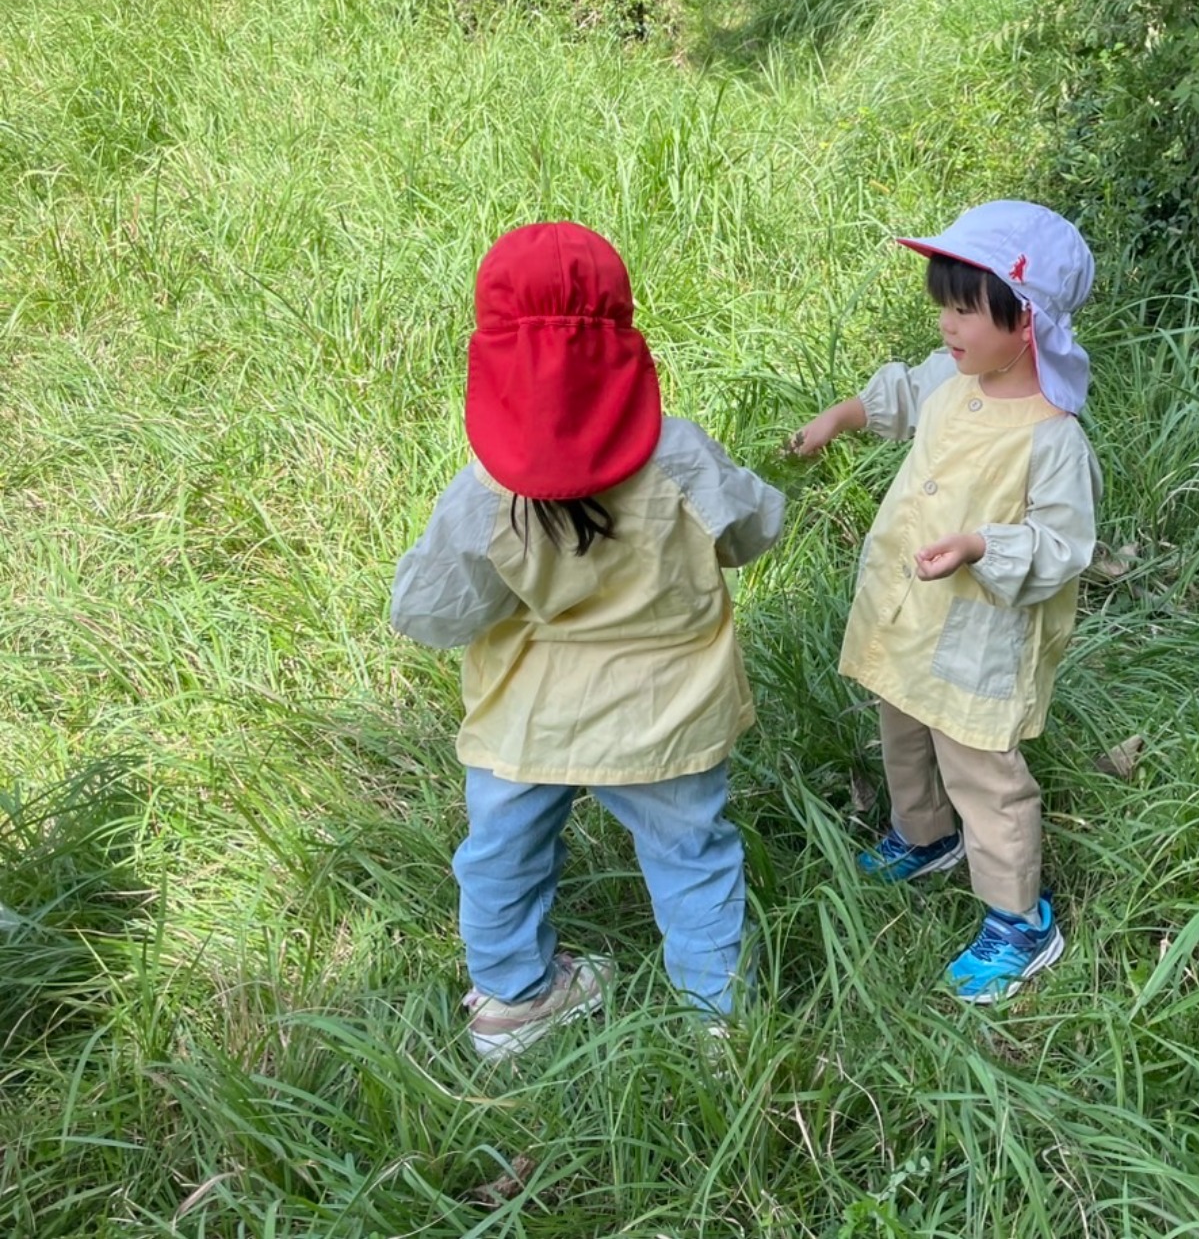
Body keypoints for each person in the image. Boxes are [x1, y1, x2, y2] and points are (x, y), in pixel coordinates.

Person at [391, 221, 784, 1059]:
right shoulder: (677, 458)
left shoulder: (486, 493)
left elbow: (431, 614)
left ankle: (511, 999)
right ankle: (719, 1020)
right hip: (666, 717)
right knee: (692, 857)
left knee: (500, 853)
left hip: (523, 725)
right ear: (624, 344)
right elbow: (758, 527)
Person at [790, 200, 1101, 1003]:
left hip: (978, 635)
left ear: (1025, 320)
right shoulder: (956, 379)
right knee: (902, 722)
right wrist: (845, 416)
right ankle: (922, 835)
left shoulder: (1051, 436)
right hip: (912, 614)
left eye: (965, 308)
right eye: (944, 304)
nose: (947, 324)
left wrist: (978, 546)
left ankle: (1018, 920)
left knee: (983, 772)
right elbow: (902, 393)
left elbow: (1063, 545)